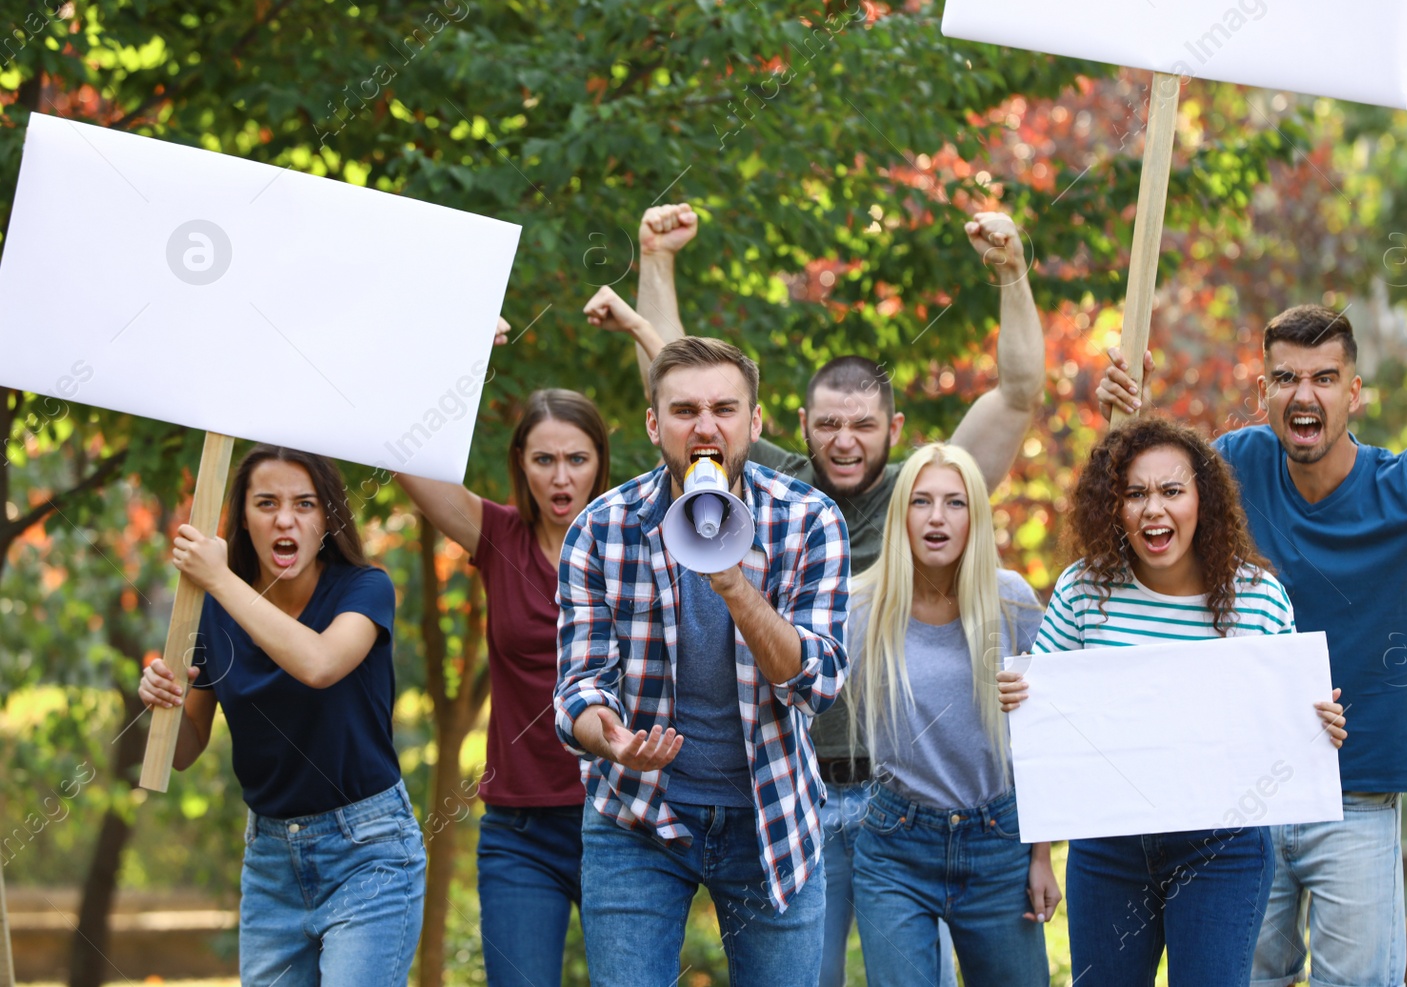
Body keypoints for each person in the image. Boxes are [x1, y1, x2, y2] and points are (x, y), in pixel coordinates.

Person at [585, 200, 1046, 987]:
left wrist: (1012, 273)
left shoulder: (925, 497)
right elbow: (684, 389)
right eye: (829, 423)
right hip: (799, 786)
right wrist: (655, 264)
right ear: (796, 424)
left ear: (893, 427)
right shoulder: (772, 492)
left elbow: (1017, 393)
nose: (844, 440)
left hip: (900, 792)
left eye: (863, 425)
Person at [1095, 306, 1407, 987]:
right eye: (1286, 378)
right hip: (1247, 801)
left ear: (1353, 392)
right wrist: (1129, 414)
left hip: (1356, 796)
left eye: (1325, 378)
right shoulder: (1234, 466)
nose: (1305, 394)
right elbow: (1145, 503)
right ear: (1267, 389)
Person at [998, 416, 1346, 987]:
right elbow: (1050, 730)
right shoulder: (1084, 591)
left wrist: (1319, 725)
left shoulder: (1257, 597)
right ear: (1115, 507)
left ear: (1202, 501)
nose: (1152, 508)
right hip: (1108, 850)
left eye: (1171, 491)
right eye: (1135, 494)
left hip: (1223, 851)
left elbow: (1287, 722)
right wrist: (1024, 700)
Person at [554, 335, 851, 987]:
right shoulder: (601, 528)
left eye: (724, 408)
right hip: (637, 814)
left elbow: (819, 683)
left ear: (755, 421)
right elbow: (578, 688)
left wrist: (735, 584)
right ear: (655, 424)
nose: (706, 426)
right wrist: (610, 736)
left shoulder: (809, 519)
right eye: (685, 410)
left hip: (770, 810)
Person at [138, 445, 424, 987]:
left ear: (328, 516)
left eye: (304, 504)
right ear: (243, 518)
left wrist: (220, 580)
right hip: (271, 865)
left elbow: (318, 664)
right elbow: (185, 750)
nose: (285, 519)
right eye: (266, 503)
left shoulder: (365, 589)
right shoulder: (210, 613)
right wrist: (161, 702)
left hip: (370, 855)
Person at [395, 387, 610, 987]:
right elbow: (401, 451)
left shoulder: (631, 544)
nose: (561, 477)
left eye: (577, 459)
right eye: (544, 460)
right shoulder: (498, 536)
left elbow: (693, 430)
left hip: (620, 823)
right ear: (520, 463)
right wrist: (453, 355)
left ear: (601, 461)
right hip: (522, 832)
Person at [848, 442, 1057, 987]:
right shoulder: (859, 609)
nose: (937, 518)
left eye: (955, 503)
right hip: (895, 845)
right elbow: (793, 692)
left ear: (975, 517)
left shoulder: (1010, 601)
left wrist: (1042, 857)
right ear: (902, 516)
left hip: (999, 842)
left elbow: (1046, 736)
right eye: (921, 502)